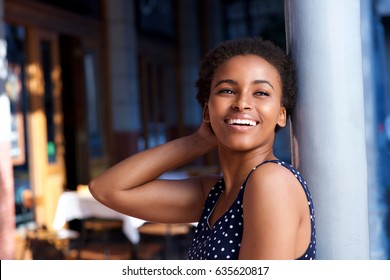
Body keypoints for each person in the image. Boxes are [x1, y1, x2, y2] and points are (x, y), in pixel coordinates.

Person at [89, 37, 316, 260]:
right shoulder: (214, 195)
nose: (242, 103)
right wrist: (198, 140)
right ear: (207, 111)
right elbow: (106, 189)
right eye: (227, 90)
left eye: (261, 93)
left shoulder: (271, 181)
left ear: (281, 114)